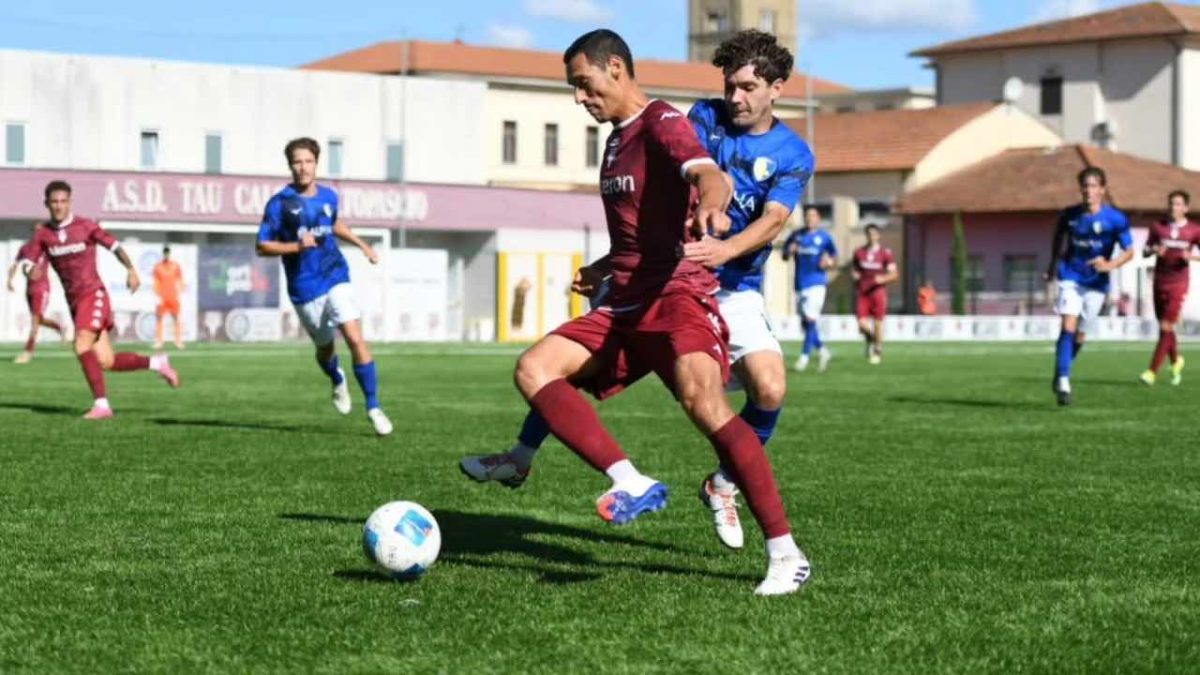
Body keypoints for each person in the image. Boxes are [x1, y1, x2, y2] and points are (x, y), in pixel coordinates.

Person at [475, 30, 809, 595]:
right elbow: (644, 223)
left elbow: (707, 173)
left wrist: (711, 202)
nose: (579, 98)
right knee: (535, 369)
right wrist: (606, 266)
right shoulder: (616, 138)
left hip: (678, 292)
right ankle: (624, 479)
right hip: (629, 294)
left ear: (614, 68)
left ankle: (785, 552)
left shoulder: (663, 121)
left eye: (584, 84)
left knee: (709, 404)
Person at [256, 137, 393, 437]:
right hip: (304, 287)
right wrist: (295, 246)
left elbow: (334, 224)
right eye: (297, 162)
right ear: (290, 165)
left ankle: (373, 406)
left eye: (308, 161)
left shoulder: (329, 196)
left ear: (316, 163)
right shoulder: (279, 204)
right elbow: (262, 246)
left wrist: (362, 244)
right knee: (325, 349)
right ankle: (336, 377)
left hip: (334, 274)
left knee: (355, 338)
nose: (303, 167)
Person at [17, 181, 179, 419]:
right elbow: (27, 261)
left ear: (70, 202)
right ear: (47, 204)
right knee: (106, 360)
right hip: (75, 302)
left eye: (63, 201)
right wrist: (29, 271)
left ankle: (102, 405)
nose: (59, 206)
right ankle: (158, 363)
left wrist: (131, 270)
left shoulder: (86, 226)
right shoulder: (43, 235)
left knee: (81, 344)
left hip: (94, 295)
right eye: (54, 202)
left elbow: (113, 246)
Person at [1045, 167, 1134, 406]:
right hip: (1070, 275)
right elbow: (1058, 238)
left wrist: (1110, 264)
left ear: (1102, 189)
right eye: (1085, 185)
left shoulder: (1115, 219)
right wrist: (1052, 265)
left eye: (1094, 186)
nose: (1088, 190)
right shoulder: (1069, 215)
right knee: (1068, 324)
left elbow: (1130, 251)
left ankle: (1061, 369)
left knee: (1081, 335)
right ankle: (1064, 381)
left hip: (1096, 282)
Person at [1140, 190, 1200, 387]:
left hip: (1179, 283)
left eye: (1177, 204)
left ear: (1185, 208)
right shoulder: (1158, 227)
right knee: (1165, 328)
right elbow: (1145, 250)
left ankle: (1151, 371)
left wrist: (1190, 257)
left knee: (1166, 326)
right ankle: (1176, 361)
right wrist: (1155, 250)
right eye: (1171, 204)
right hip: (1159, 280)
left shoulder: (1194, 230)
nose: (1173, 208)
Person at [783, 206, 836, 372]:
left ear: (818, 219)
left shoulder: (824, 237)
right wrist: (789, 251)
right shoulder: (797, 235)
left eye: (813, 216)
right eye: (807, 216)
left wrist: (829, 262)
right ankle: (822, 350)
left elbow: (834, 255)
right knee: (806, 323)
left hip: (817, 283)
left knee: (811, 319)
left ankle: (804, 358)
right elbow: (784, 255)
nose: (809, 219)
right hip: (800, 284)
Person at [7, 223, 66, 363]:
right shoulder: (25, 248)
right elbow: (15, 265)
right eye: (37, 231)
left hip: (42, 287)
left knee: (35, 320)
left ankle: (28, 352)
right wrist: (9, 280)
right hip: (30, 288)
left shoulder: (46, 248)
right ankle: (59, 327)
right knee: (38, 319)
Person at [851, 225, 898, 364]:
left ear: (878, 236)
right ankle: (871, 339)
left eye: (874, 234)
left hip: (878, 293)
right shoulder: (859, 252)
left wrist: (882, 279)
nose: (871, 236)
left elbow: (894, 274)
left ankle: (877, 350)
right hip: (863, 292)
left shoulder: (885, 254)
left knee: (878, 324)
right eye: (869, 234)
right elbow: (855, 270)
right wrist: (855, 275)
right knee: (861, 325)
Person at [152, 245, 186, 349]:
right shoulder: (158, 266)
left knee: (176, 318)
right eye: (164, 252)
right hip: (162, 298)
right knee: (159, 318)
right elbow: (155, 282)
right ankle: (159, 341)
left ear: (169, 254)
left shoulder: (175, 266)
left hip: (173, 297)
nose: (166, 254)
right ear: (162, 254)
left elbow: (180, 280)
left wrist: (181, 291)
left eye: (167, 252)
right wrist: (156, 296)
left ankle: (178, 341)